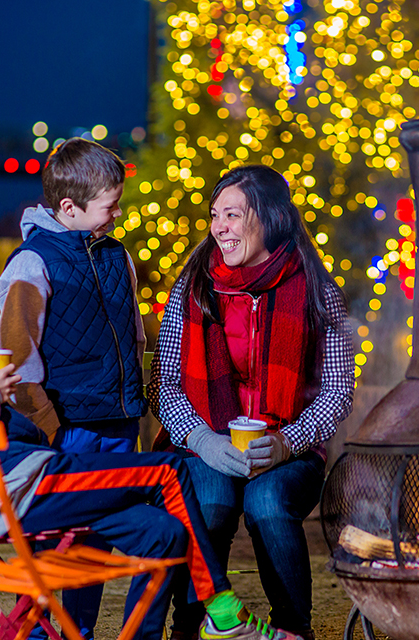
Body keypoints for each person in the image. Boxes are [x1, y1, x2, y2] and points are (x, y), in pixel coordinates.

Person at [0, 230, 300, 640]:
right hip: (5, 493)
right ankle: (222, 610)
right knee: (168, 470)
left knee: (164, 533)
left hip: (20, 482)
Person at [148, 165, 356, 640]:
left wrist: (287, 443)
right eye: (215, 215)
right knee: (214, 501)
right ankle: (189, 627)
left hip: (286, 448)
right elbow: (165, 384)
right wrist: (200, 437)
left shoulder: (318, 290)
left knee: (267, 502)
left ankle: (292, 629)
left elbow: (337, 391)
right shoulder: (193, 287)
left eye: (234, 215)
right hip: (203, 443)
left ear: (272, 218)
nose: (219, 227)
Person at [0, 137, 147, 638]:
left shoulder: (117, 256)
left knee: (94, 546)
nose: (118, 213)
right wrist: (49, 426)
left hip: (118, 423)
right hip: (68, 427)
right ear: (68, 207)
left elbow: (135, 333)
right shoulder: (31, 263)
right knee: (46, 541)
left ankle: (79, 632)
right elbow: (15, 356)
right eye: (110, 205)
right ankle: (34, 631)